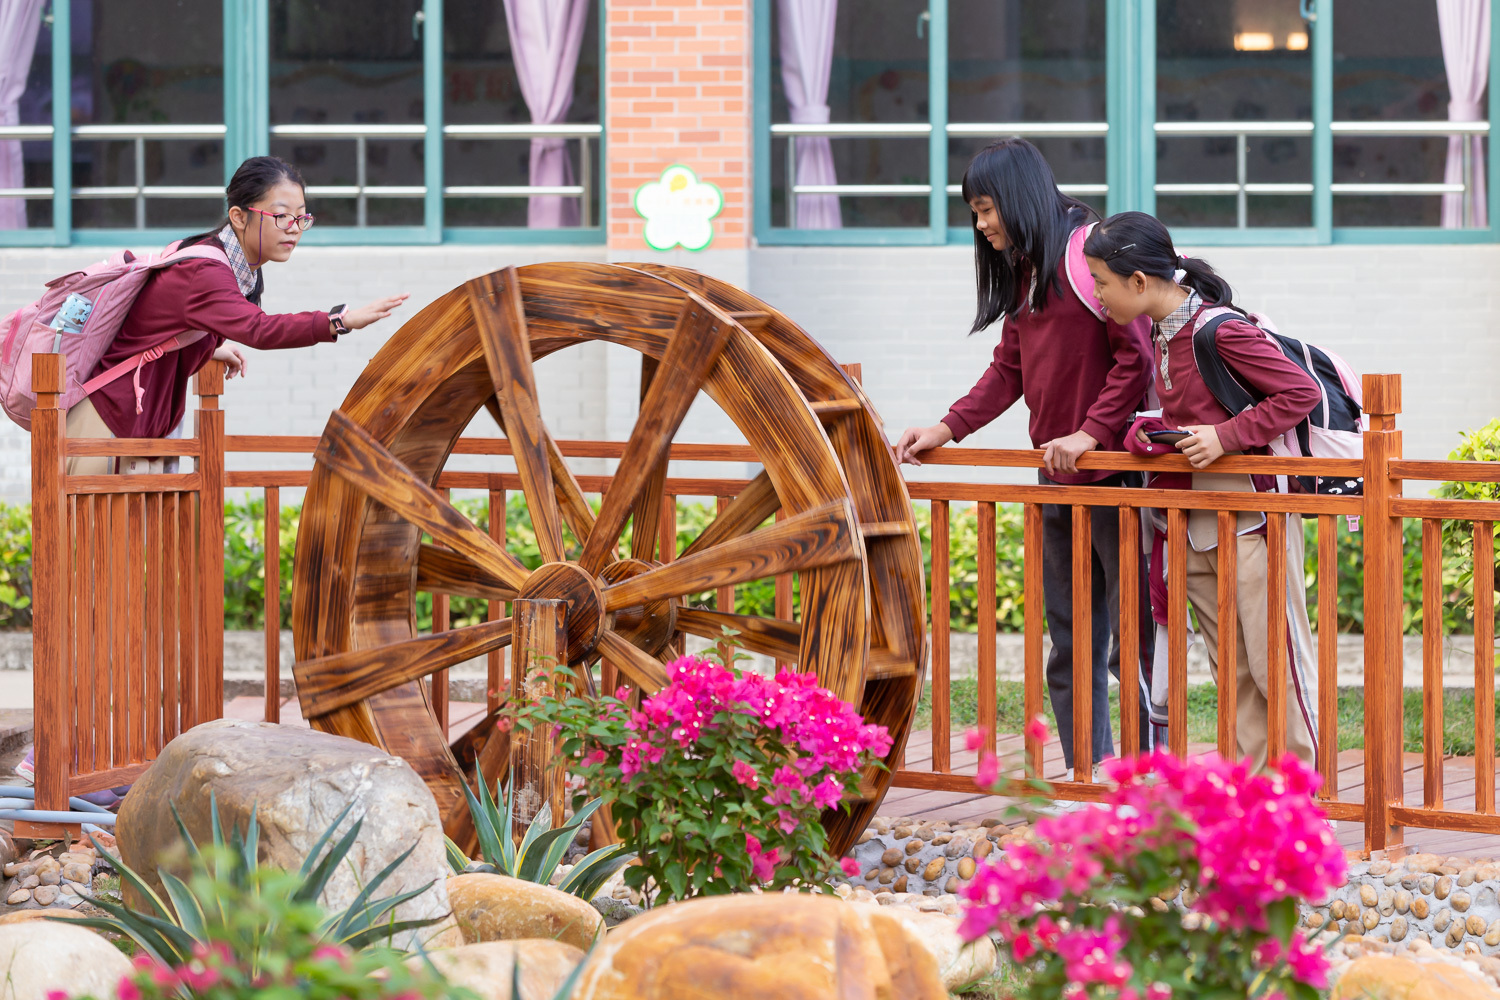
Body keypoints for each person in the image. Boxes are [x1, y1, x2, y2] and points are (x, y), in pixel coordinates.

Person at [894, 138, 1155, 777]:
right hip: (1057, 475)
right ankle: (1088, 773)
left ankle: (1146, 778)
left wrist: (1090, 435)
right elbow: (1009, 368)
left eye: (986, 210)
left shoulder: (1089, 255)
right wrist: (947, 428)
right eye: (975, 214)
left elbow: (1138, 359)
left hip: (1116, 474)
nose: (982, 226)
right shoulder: (1028, 269)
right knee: (1069, 639)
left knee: (1133, 639)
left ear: (1016, 197)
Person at [1082, 210, 1320, 769]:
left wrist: (1226, 436)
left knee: (1275, 664)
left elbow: (1300, 392)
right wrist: (1153, 432)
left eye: (1100, 282)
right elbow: (1192, 415)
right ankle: (1255, 792)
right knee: (1232, 668)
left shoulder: (1220, 330)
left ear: (1138, 281)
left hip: (1253, 520)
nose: (1097, 295)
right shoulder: (1162, 334)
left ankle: (1301, 794)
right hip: (1199, 526)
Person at [63, 155, 409, 475]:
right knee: (90, 525)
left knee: (144, 526)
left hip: (140, 424)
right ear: (239, 217)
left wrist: (209, 348)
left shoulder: (236, 270)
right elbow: (259, 330)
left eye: (301, 217)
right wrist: (339, 321)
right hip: (108, 419)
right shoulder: (204, 270)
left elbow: (164, 326)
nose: (293, 228)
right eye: (281, 216)